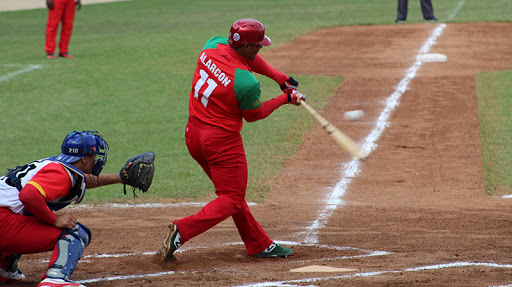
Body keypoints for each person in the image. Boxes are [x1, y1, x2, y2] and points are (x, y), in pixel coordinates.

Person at [161, 18, 305, 261]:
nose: (260, 49)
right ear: (247, 47)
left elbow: (245, 59)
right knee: (232, 198)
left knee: (231, 194)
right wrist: (286, 99)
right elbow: (254, 115)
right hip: (221, 143)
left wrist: (280, 78)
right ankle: (182, 230)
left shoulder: (212, 45)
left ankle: (258, 243)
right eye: (258, 46)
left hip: (193, 136)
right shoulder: (247, 83)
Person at [0, 131, 133, 287]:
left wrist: (119, 178)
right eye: (94, 156)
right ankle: (55, 279)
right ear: (84, 158)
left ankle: (3, 268)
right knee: (74, 232)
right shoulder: (61, 174)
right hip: (3, 222)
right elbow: (28, 195)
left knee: (31, 213)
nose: (96, 160)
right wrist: (54, 219)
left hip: (5, 218)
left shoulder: (59, 166)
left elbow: (79, 181)